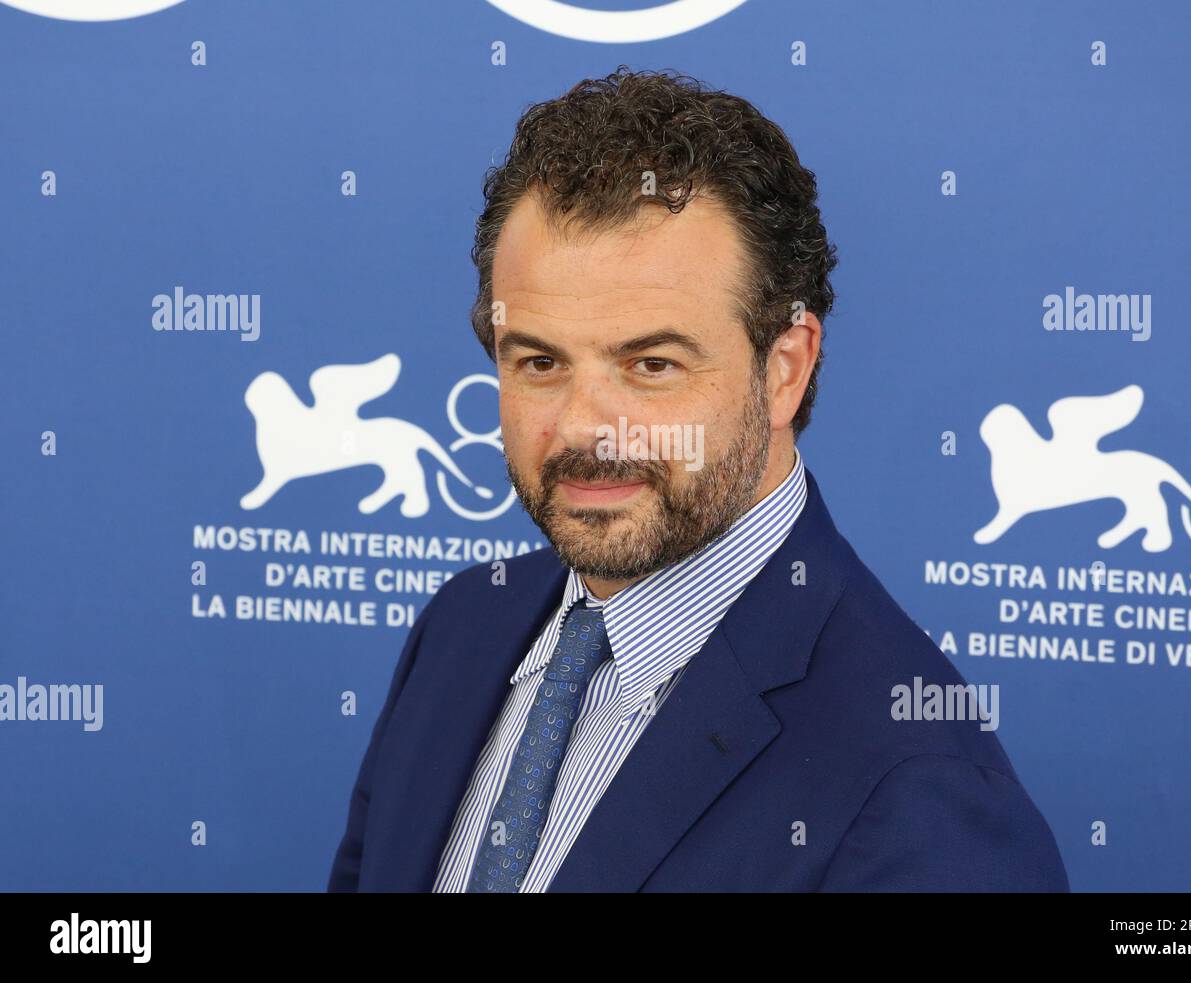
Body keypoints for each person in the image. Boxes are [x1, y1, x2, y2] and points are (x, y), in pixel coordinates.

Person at [327, 67, 1068, 893]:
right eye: (539, 361)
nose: (582, 429)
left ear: (785, 369)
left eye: (650, 364)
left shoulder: (918, 789)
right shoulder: (462, 627)